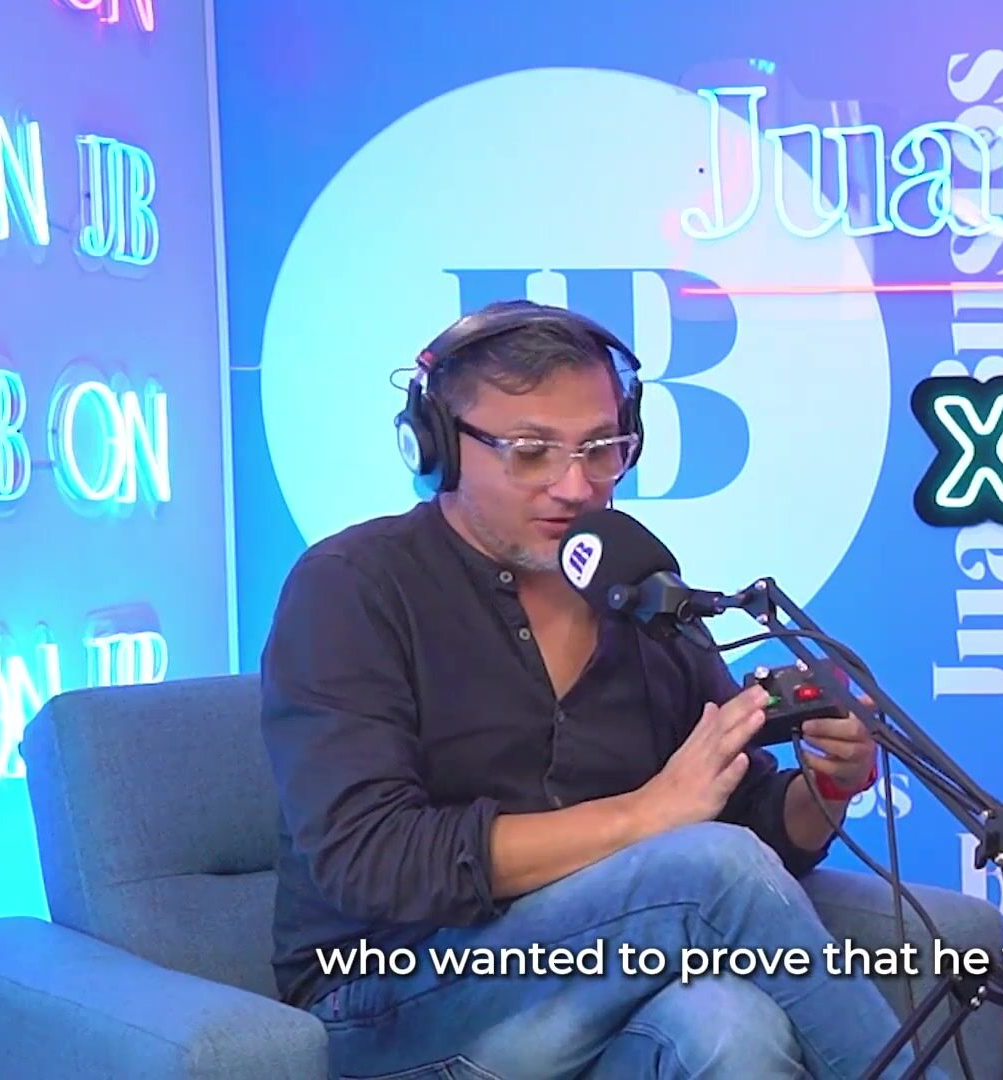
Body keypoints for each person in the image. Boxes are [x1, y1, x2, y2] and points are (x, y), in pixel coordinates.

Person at [259, 300, 935, 1079]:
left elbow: (743, 815)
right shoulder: (351, 586)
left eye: (601, 449)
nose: (575, 486)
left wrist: (827, 789)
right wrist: (643, 817)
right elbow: (373, 858)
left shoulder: (636, 589)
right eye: (530, 453)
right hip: (384, 1000)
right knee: (711, 868)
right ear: (439, 445)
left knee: (731, 1023)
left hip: (591, 987)